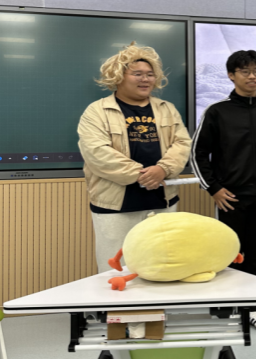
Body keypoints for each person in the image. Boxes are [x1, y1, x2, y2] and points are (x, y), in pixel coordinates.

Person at [191, 50, 256, 333]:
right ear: (231, 75)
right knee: (229, 252)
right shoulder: (217, 112)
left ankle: (252, 307)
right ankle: (228, 305)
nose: (252, 76)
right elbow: (198, 153)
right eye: (245, 71)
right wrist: (214, 188)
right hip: (230, 198)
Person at [78, 42, 191, 272]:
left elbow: (182, 143)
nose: (145, 79)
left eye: (150, 74)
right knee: (115, 270)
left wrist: (163, 169)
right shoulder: (97, 111)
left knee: (161, 267)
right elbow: (96, 152)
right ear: (119, 76)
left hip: (162, 202)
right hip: (115, 205)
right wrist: (142, 175)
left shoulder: (166, 108)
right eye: (137, 74)